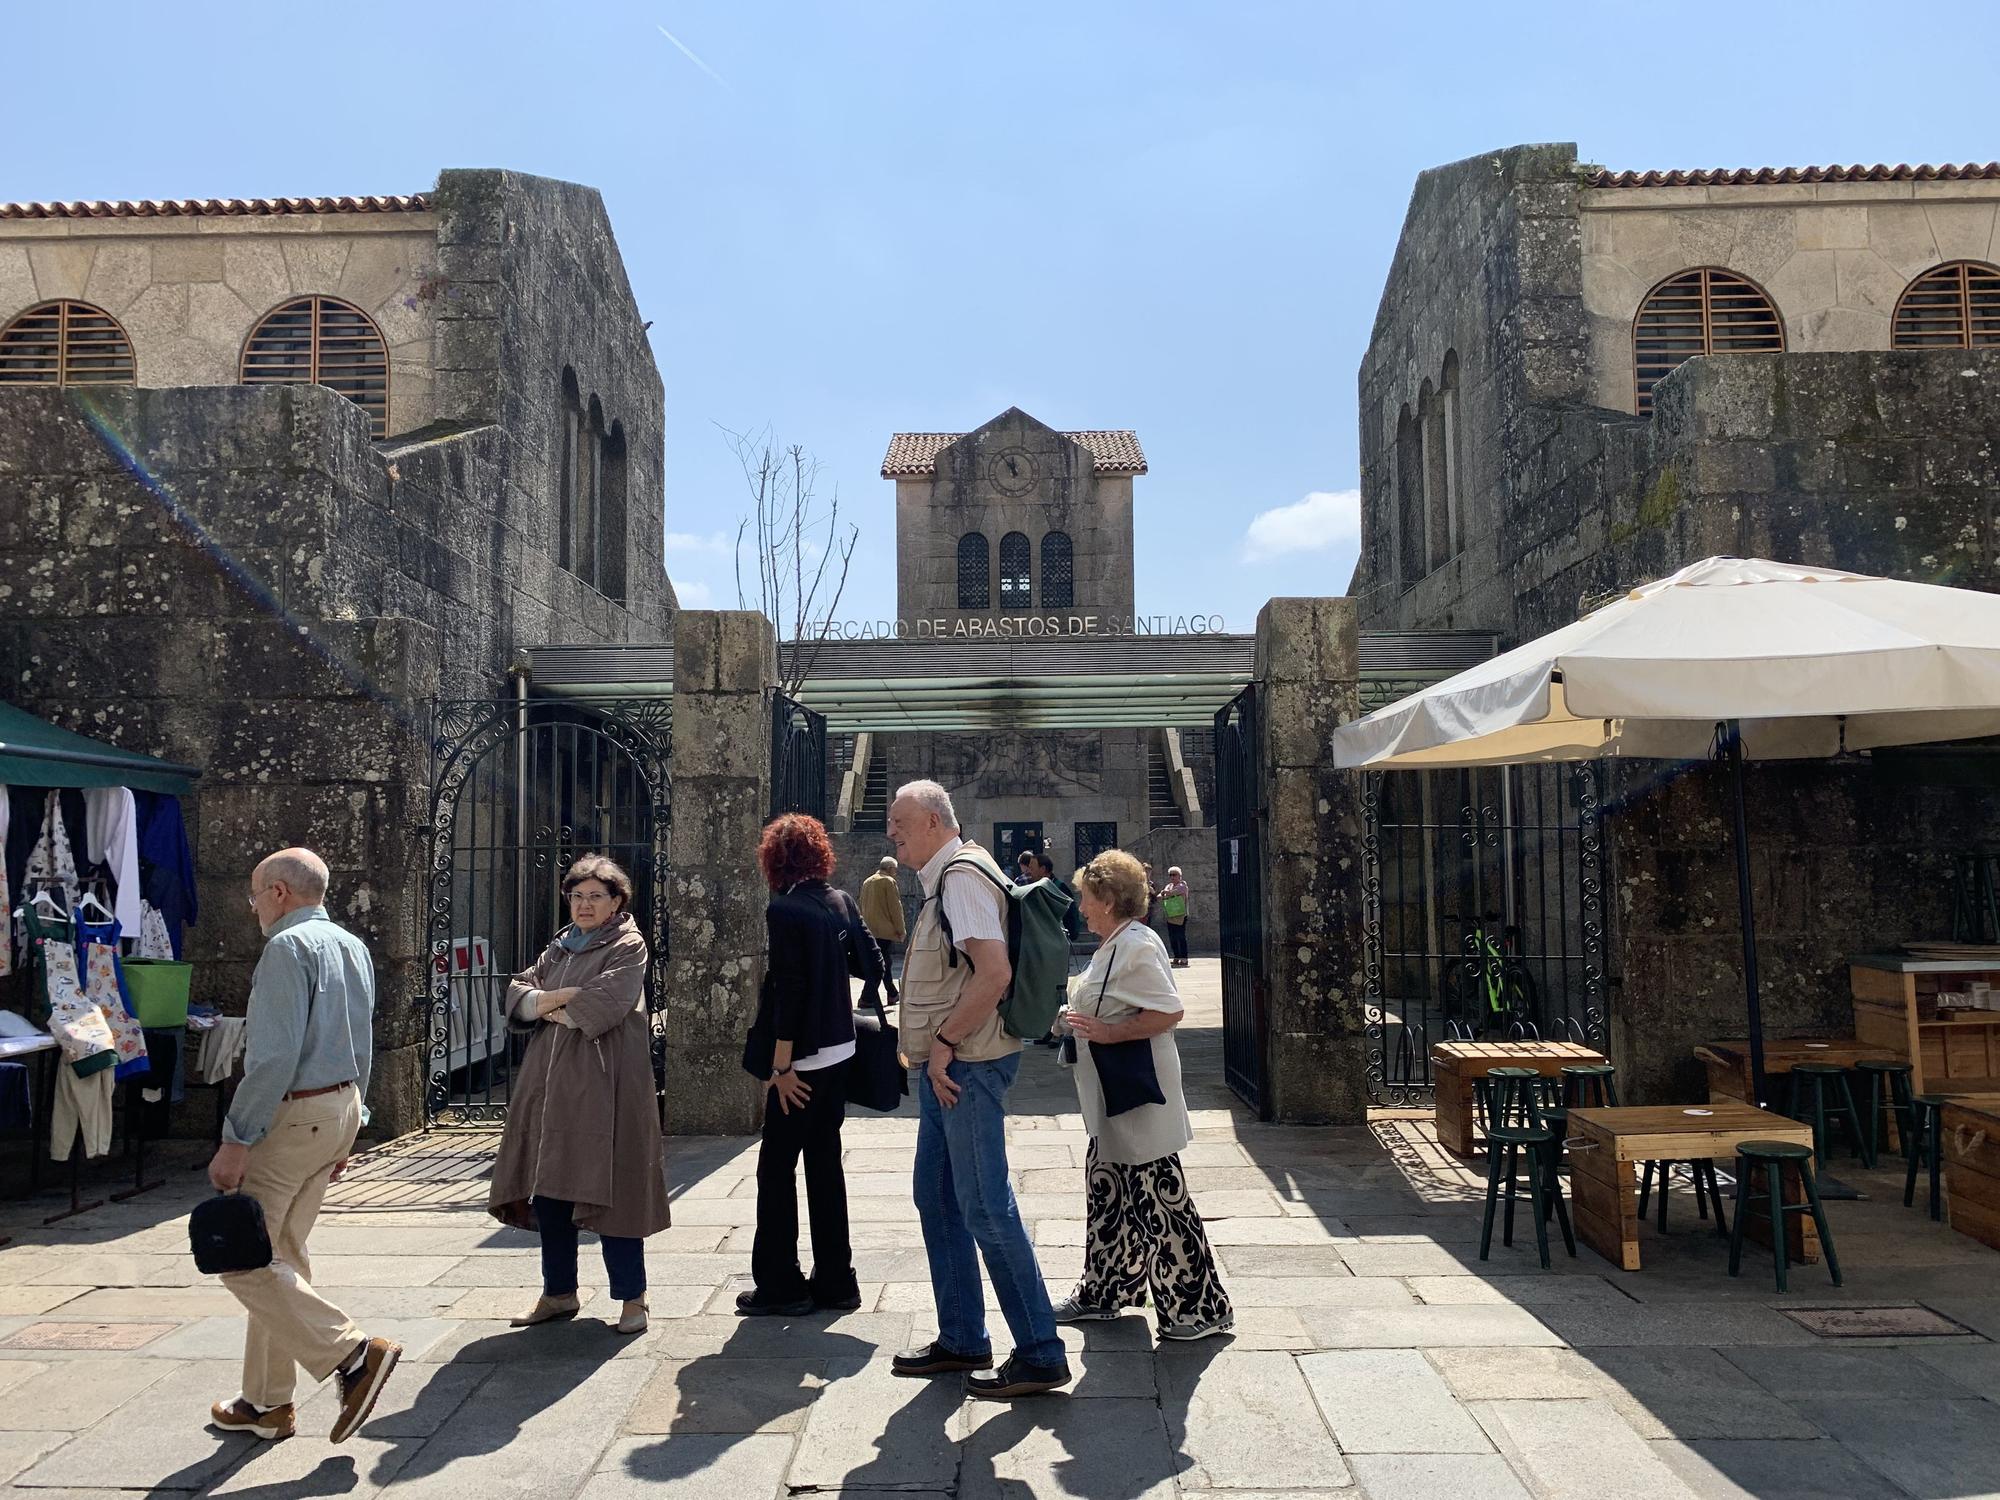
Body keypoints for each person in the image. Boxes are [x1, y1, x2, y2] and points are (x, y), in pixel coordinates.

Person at [205, 848, 400, 1445]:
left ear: (279, 893)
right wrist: (354, 1118)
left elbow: (272, 1058)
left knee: (241, 1255)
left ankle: (351, 1355)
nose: (254, 907)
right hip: (338, 1106)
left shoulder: (287, 948)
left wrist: (236, 1139)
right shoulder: (349, 944)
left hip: (294, 1113)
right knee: (281, 1249)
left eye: (255, 896)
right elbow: (362, 1040)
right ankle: (267, 1402)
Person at [886, 780, 1070, 1398]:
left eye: (901, 822)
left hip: (965, 1066)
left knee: (986, 1205)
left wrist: (941, 1042)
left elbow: (993, 973)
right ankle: (963, 1337)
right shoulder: (947, 876)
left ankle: (1041, 1351)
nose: (892, 833)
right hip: (952, 1067)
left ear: (936, 821)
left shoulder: (961, 876)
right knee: (937, 1198)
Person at [489, 855, 670, 1337]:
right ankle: (559, 1292)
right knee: (550, 1191)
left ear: (616, 902)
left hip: (606, 1086)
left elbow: (602, 1005)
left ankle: (633, 1299)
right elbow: (518, 996)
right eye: (577, 895)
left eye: (595, 896)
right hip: (550, 1087)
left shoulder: (628, 944)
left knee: (615, 1193)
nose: (584, 904)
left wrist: (549, 1002)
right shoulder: (560, 947)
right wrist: (557, 998)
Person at [1055, 849, 1231, 1340]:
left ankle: (1200, 1309)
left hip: (1138, 1099)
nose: (1082, 906)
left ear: (1108, 900)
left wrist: (1109, 1035)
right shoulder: (1115, 943)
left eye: (1087, 898)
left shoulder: (1136, 945)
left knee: (1161, 1202)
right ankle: (1104, 1291)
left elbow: (1168, 1012)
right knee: (1108, 1194)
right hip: (1112, 1099)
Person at [738, 814, 881, 1316]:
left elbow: (788, 994)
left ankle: (781, 1284)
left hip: (803, 1061)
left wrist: (781, 1069)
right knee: (824, 1164)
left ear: (774, 859)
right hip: (841, 1050)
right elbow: (874, 966)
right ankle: (837, 1281)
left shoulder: (786, 910)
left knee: (775, 1168)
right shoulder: (838, 900)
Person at [1018, 846, 1082, 1047]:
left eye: (1033, 867)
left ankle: (1061, 1031)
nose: (1029, 871)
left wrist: (1070, 935)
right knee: (1043, 988)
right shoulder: (1035, 886)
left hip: (1056, 945)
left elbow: (1070, 914)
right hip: (1042, 944)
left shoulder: (1058, 886)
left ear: (1044, 869)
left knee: (1058, 988)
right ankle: (1046, 1028)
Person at [860, 855, 905, 1003]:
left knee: (882, 962)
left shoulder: (868, 881)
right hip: (884, 930)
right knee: (882, 964)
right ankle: (868, 997)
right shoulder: (888, 881)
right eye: (895, 870)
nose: (896, 873)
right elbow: (895, 908)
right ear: (891, 869)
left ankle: (891, 993)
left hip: (868, 929)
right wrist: (900, 929)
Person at [1161, 866, 1191, 967]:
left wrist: (1166, 893)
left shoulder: (1183, 886)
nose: (1172, 877)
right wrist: (1164, 894)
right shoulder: (1169, 885)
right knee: (1172, 937)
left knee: (1181, 936)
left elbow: (1171, 893)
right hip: (1171, 915)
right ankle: (1176, 956)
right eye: (1171, 875)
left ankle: (1184, 958)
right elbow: (1161, 895)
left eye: (1174, 875)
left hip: (1181, 915)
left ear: (1179, 876)